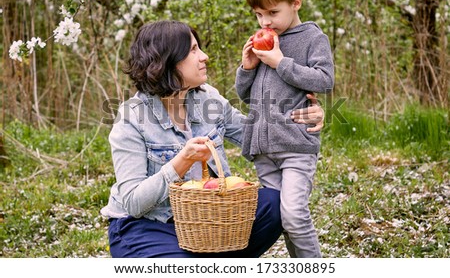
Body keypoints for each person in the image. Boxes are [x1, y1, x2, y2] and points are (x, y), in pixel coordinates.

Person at [101, 20, 325, 258]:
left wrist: (303, 119)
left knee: (273, 204)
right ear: (166, 62)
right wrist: (181, 163)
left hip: (205, 223)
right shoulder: (131, 118)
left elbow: (257, 133)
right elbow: (133, 203)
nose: (205, 57)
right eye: (193, 50)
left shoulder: (208, 98)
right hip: (147, 227)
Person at [235, 0, 335, 258]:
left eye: (273, 12)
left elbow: (325, 80)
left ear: (296, 3)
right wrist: (247, 68)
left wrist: (279, 62)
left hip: (295, 145)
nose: (265, 22)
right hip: (264, 150)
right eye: (258, 14)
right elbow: (244, 95)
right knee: (282, 219)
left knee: (294, 215)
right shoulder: (263, 40)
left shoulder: (311, 38)